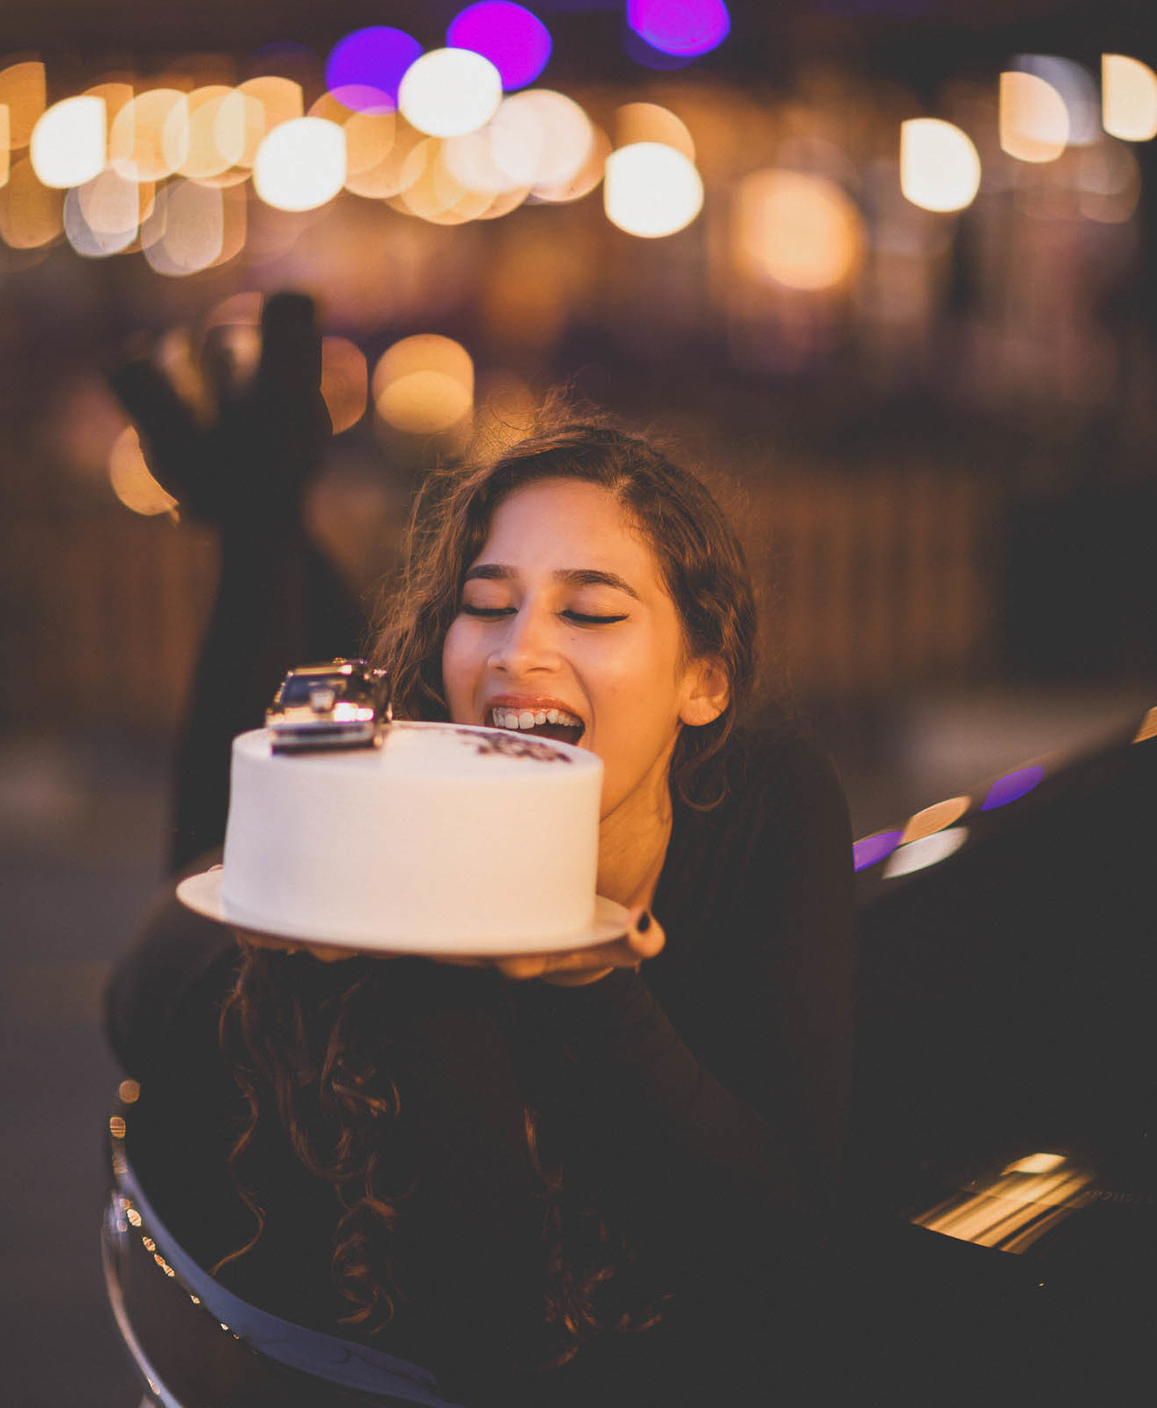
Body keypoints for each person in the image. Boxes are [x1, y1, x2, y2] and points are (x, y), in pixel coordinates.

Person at [103, 294, 857, 1407]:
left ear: (707, 681)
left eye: (591, 613)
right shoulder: (394, 861)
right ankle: (261, 508)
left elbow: (777, 1236)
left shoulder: (767, 805)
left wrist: (598, 991)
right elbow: (477, 1323)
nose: (518, 651)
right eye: (485, 602)